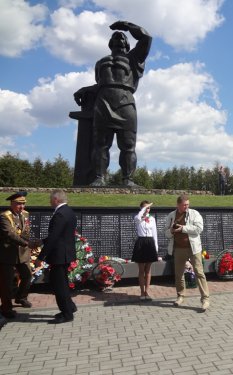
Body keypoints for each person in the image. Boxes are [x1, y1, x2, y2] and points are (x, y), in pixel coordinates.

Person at [73, 21, 152, 187]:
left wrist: (127, 26)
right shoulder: (102, 62)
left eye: (122, 37)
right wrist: (85, 89)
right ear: (110, 43)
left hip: (125, 101)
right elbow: (102, 83)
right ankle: (99, 178)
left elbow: (146, 38)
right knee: (101, 144)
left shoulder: (134, 59)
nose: (119, 38)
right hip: (104, 102)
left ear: (128, 44)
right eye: (116, 37)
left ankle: (128, 179)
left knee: (128, 145)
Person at [35, 190, 78, 324]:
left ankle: (67, 314)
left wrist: (40, 257)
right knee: (63, 283)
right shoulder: (69, 211)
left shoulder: (60, 214)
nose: (49, 202)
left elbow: (54, 237)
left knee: (59, 285)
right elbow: (59, 234)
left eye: (50, 199)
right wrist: (42, 241)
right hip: (65, 254)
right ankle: (70, 306)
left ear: (56, 199)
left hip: (59, 255)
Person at [166, 194, 210, 311]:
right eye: (184, 205)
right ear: (178, 205)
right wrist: (171, 230)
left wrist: (183, 228)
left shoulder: (194, 214)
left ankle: (205, 299)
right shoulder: (171, 216)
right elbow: (165, 233)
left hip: (193, 248)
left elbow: (199, 229)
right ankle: (180, 296)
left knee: (199, 273)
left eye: (188, 204)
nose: (186, 207)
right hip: (178, 248)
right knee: (178, 274)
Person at [0, 191, 38, 318]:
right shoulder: (5, 216)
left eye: (23, 204)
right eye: (19, 204)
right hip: (7, 254)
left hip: (22, 253)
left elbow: (25, 232)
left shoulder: (25, 214)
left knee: (27, 276)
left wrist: (29, 244)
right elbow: (10, 234)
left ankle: (21, 297)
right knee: (6, 282)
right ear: (12, 203)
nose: (22, 207)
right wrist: (27, 244)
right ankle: (6, 308)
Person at [132, 200, 159, 301]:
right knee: (141, 270)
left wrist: (156, 247)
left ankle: (147, 291)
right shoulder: (138, 218)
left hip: (150, 243)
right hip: (141, 242)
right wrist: (144, 209)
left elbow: (155, 233)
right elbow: (139, 217)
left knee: (148, 270)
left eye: (148, 208)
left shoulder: (152, 219)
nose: (147, 209)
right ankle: (142, 292)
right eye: (145, 207)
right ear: (141, 208)